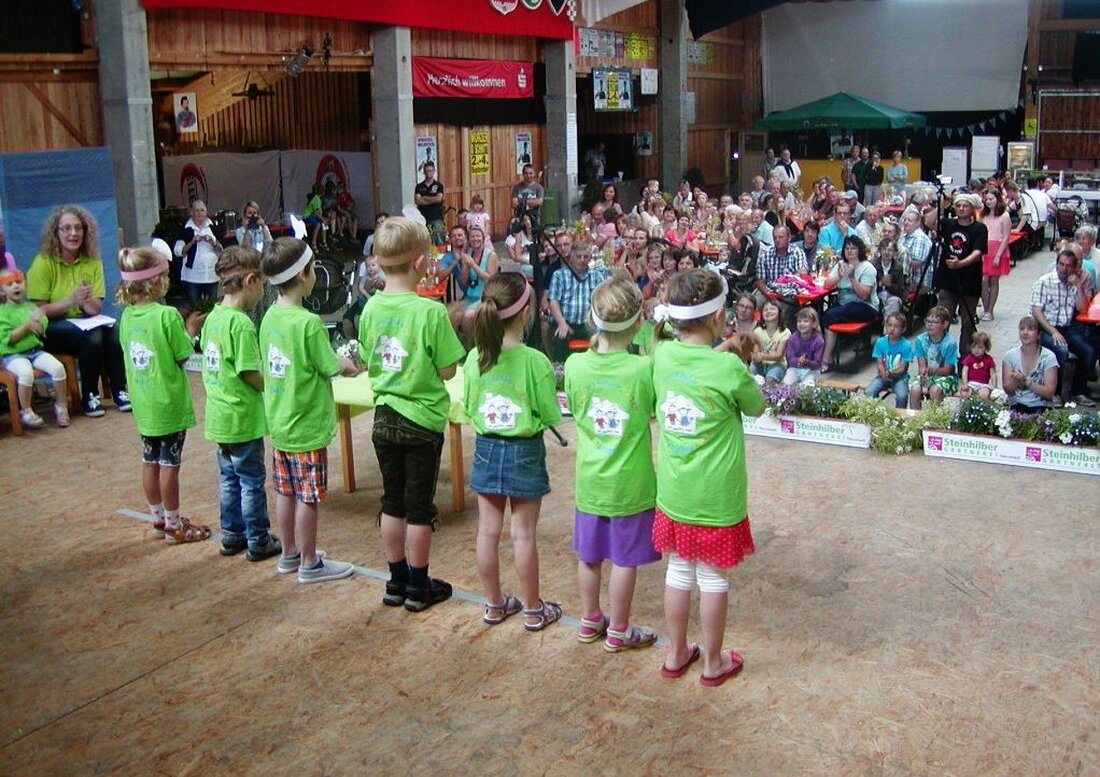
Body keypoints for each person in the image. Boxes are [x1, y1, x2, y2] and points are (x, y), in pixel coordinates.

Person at [652, 268, 766, 687]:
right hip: (716, 496)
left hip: (675, 491)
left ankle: (677, 652)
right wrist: (733, 354)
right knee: (713, 576)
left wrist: (723, 350)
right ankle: (713, 662)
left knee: (678, 571)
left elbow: (691, 362)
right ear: (719, 316)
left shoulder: (661, 355)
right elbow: (756, 407)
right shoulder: (731, 370)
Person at [358, 217, 467, 612]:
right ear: (421, 262)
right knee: (420, 507)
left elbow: (370, 355)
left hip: (383, 415)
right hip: (421, 420)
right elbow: (447, 369)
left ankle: (396, 580)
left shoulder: (371, 308)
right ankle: (420, 585)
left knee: (392, 501)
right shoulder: (430, 312)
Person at [563, 270, 659, 652]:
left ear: (592, 317)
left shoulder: (574, 366)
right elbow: (651, 409)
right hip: (630, 484)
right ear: (638, 322)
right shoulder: (642, 369)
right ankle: (619, 629)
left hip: (590, 481)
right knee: (623, 559)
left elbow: (574, 407)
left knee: (589, 556)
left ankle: (590, 620)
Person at [463, 272, 563, 631]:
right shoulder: (536, 361)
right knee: (523, 534)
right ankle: (534, 610)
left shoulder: (477, 358)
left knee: (487, 532)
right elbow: (550, 413)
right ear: (525, 314)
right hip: (524, 450)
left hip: (487, 448)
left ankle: (494, 604)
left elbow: (470, 405)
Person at [259, 238, 362, 583]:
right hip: (306, 423)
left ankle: (288, 552)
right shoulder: (308, 322)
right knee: (308, 495)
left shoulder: (270, 316)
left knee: (285, 490)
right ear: (304, 275)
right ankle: (309, 563)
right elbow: (328, 364)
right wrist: (348, 363)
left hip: (281, 420)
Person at [116, 246, 208, 543]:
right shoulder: (167, 315)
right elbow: (183, 354)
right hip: (167, 403)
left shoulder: (127, 317)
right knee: (170, 464)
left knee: (149, 460)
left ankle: (157, 517)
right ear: (156, 282)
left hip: (143, 403)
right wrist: (191, 329)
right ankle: (174, 524)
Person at [200, 246, 281, 562]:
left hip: (220, 417)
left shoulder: (213, 319)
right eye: (262, 284)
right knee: (251, 481)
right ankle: (258, 538)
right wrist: (272, 388)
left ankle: (232, 534)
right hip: (242, 417)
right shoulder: (241, 323)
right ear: (250, 280)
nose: (263, 291)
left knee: (228, 479)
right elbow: (250, 372)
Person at [26, 204, 129, 417]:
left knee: (113, 331)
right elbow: (38, 311)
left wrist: (85, 299)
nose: (73, 233)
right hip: (50, 326)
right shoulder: (43, 262)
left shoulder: (92, 261)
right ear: (56, 233)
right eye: (66, 229)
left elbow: (94, 309)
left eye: (78, 228)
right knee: (92, 337)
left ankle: (120, 390)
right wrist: (71, 300)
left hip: (83, 320)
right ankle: (90, 395)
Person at [0, 266, 70, 428]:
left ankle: (61, 405)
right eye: (10, 284)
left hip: (35, 352)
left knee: (58, 368)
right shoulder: (3, 312)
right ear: (2, 291)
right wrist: (27, 326)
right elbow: (7, 339)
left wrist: (40, 322)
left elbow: (42, 326)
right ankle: (26, 411)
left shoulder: (30, 307)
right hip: (13, 355)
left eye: (19, 282)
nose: (16, 286)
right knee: (25, 373)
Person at [1029, 248, 1094, 406]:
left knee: (1089, 352)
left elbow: (1084, 309)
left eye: (1068, 266)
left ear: (1074, 267)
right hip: (1046, 328)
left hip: (1068, 328)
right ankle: (1055, 393)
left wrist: (1078, 286)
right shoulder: (1044, 281)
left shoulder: (1073, 283)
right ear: (1056, 264)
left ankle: (1077, 391)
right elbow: (1036, 311)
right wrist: (1053, 331)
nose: (1064, 269)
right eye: (1061, 265)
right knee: (1061, 351)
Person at [935, 193, 987, 354]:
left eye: (965, 205)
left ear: (972, 208)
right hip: (947, 282)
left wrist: (960, 264)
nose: (961, 208)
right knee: (941, 319)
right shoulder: (948, 224)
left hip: (969, 282)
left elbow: (978, 253)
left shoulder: (979, 228)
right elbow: (929, 223)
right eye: (958, 205)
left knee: (967, 323)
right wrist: (942, 204)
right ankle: (942, 355)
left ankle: (964, 359)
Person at [820, 235, 879, 370]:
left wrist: (852, 278)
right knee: (823, 316)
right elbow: (827, 285)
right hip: (844, 304)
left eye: (853, 248)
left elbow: (864, 295)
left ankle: (826, 359)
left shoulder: (867, 268)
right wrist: (840, 275)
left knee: (830, 316)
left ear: (860, 250)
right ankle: (826, 355)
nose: (849, 251)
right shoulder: (840, 265)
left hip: (865, 306)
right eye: (847, 248)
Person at [548, 242, 607, 362]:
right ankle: (559, 369)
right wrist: (562, 323)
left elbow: (601, 301)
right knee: (560, 338)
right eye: (578, 256)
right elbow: (553, 302)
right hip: (565, 321)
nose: (582, 260)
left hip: (587, 323)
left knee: (601, 340)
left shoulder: (596, 276)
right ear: (571, 257)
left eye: (586, 257)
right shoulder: (559, 275)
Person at [1002, 316, 1059, 414]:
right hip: (1015, 405)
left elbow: (1049, 393)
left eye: (1030, 329)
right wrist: (1016, 381)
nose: (1025, 332)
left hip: (1040, 407)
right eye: (1022, 329)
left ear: (1038, 334)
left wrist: (1027, 382)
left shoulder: (1049, 357)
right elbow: (1007, 389)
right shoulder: (1009, 356)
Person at [908, 305, 959, 409]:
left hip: (945, 377)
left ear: (944, 324)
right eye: (928, 321)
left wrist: (931, 371)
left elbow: (947, 370)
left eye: (935, 322)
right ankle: (915, 419)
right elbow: (921, 367)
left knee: (935, 390)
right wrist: (925, 382)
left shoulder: (950, 343)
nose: (930, 325)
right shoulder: (920, 340)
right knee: (915, 389)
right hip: (926, 375)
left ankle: (934, 420)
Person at [174, 199, 223, 304]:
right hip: (193, 276)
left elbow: (221, 250)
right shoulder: (185, 229)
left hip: (211, 275)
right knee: (194, 307)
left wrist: (213, 242)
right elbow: (178, 251)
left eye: (202, 210)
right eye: (197, 210)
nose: (200, 213)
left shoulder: (213, 227)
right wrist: (192, 242)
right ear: (191, 212)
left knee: (212, 306)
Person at [864, 312, 912, 408]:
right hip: (883, 376)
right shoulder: (880, 342)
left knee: (902, 396)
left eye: (896, 326)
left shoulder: (906, 345)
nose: (892, 329)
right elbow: (879, 362)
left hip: (900, 378)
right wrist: (883, 372)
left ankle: (899, 417)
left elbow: (903, 367)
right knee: (868, 392)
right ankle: (873, 413)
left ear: (903, 329)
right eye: (889, 325)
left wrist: (890, 373)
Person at [979, 188, 1012, 322]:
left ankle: (990, 310)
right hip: (984, 249)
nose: (988, 202)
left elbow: (1006, 237)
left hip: (997, 249)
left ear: (998, 199)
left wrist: (998, 255)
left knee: (993, 281)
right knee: (983, 280)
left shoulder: (1004, 216)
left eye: (991, 199)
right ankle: (985, 308)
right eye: (986, 199)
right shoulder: (983, 215)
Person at [750, 299, 789, 385]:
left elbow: (779, 355)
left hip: (777, 364)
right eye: (765, 310)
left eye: (772, 308)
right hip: (760, 364)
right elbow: (756, 352)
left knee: (770, 380)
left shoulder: (785, 332)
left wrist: (762, 356)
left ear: (779, 312)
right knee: (750, 374)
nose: (768, 311)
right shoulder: (757, 331)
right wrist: (756, 356)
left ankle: (771, 396)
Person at [782, 307, 824, 385]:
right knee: (786, 384)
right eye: (799, 321)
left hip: (812, 370)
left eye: (805, 321)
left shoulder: (819, 340)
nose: (802, 324)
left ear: (814, 323)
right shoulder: (792, 338)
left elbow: (817, 363)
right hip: (794, 369)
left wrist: (807, 362)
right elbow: (790, 359)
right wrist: (798, 360)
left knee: (807, 386)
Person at [872, 238, 906, 318]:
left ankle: (888, 329)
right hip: (876, 296)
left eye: (890, 250)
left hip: (891, 296)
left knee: (894, 302)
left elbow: (900, 291)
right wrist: (880, 283)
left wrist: (889, 285)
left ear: (895, 252)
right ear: (879, 251)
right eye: (884, 249)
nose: (886, 253)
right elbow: (868, 289)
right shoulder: (872, 265)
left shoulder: (898, 267)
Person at [959, 330, 998, 400]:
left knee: (984, 394)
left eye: (980, 347)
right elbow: (965, 371)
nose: (976, 350)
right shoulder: (969, 358)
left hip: (983, 384)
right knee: (966, 394)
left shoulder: (988, 359)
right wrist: (965, 384)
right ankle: (967, 408)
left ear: (986, 348)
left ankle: (982, 408)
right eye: (973, 347)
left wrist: (994, 387)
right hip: (971, 383)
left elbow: (993, 374)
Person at [415, 162, 446, 246]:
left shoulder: (439, 185)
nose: (428, 173)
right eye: (426, 171)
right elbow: (418, 201)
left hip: (436, 217)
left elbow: (439, 199)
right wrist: (432, 198)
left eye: (430, 171)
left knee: (439, 240)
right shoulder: (419, 186)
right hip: (423, 218)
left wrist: (424, 197)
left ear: (434, 171)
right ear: (424, 172)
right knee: (425, 241)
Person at [510, 164, 545, 228]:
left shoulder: (538, 188)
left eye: (530, 173)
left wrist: (522, 201)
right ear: (523, 174)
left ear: (534, 174)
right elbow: (513, 204)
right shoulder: (517, 187)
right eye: (526, 173)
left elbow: (539, 202)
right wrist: (532, 202)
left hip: (534, 217)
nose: (528, 176)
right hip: (519, 217)